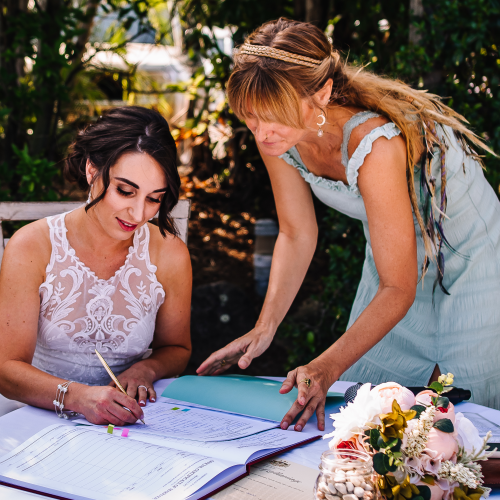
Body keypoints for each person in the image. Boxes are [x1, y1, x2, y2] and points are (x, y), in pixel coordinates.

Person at [197, 18, 500, 430]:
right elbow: (296, 232)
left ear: (321, 93)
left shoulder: (373, 144)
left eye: (273, 118)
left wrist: (326, 366)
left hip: (468, 250)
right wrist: (264, 327)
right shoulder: (274, 130)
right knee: (376, 403)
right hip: (392, 243)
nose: (261, 131)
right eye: (250, 115)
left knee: (445, 411)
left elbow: (398, 288)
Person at [0, 106, 192, 424]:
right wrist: (76, 397)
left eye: (154, 198)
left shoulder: (169, 254)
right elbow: (6, 370)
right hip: (32, 414)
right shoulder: (32, 246)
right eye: (125, 191)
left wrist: (148, 368)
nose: (138, 213)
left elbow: (176, 347)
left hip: (129, 419)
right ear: (92, 170)